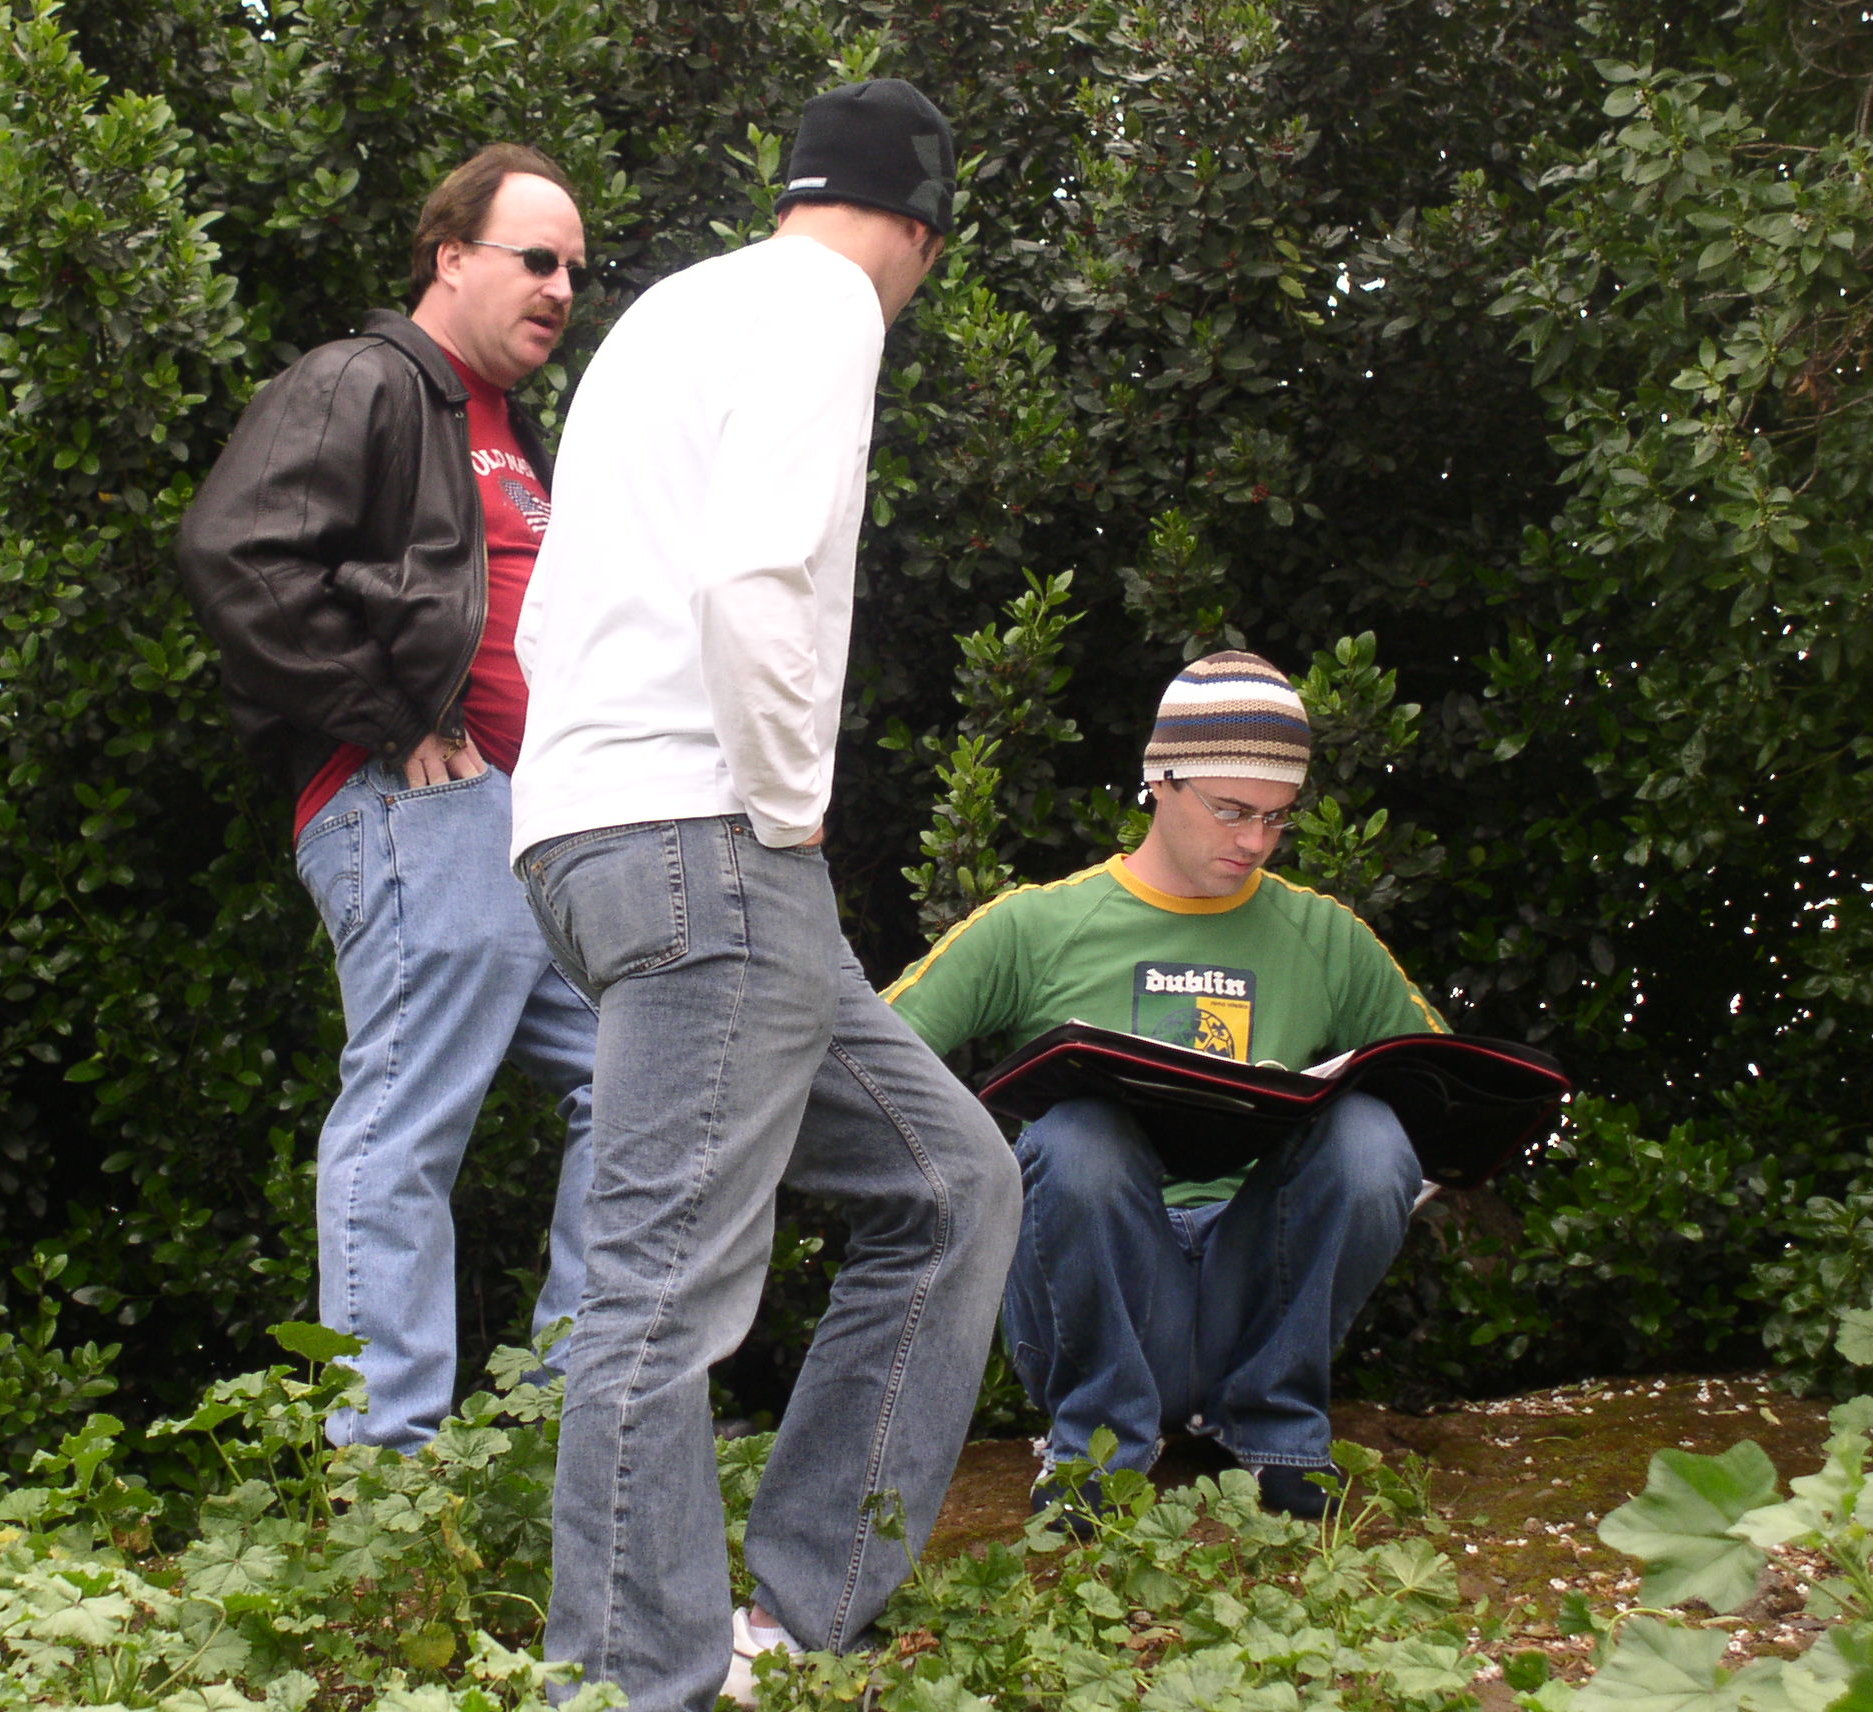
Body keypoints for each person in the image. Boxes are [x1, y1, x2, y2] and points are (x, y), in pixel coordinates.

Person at [509, 81, 1022, 1712]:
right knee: (658, 1286)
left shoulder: (673, 309)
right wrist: (789, 809)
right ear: (922, 234)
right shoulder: (822, 309)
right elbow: (752, 578)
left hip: (593, 840)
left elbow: (566, 605)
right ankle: (624, 1680)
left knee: (950, 1186)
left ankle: (790, 1614)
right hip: (707, 836)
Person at [176, 144, 598, 1451]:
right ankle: (384, 1470)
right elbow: (234, 552)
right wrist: (393, 714)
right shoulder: (369, 383)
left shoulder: (517, 437)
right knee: (409, 1113)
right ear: (451, 256)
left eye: (577, 269)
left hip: (531, 831)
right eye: (537, 258)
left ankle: (566, 1422)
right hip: (415, 809)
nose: (562, 287)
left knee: (642, 1083)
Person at [883, 652, 1445, 1520]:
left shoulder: (1325, 937)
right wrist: (974, 1196)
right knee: (1078, 1139)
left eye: (1278, 819)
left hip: (1254, 1296)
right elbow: (870, 1066)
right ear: (1159, 779)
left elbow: (1444, 1097)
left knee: (1374, 1134)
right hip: (1093, 1299)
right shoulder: (1039, 926)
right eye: (1231, 811)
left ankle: (1276, 1435)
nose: (1254, 840)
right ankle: (1095, 1454)